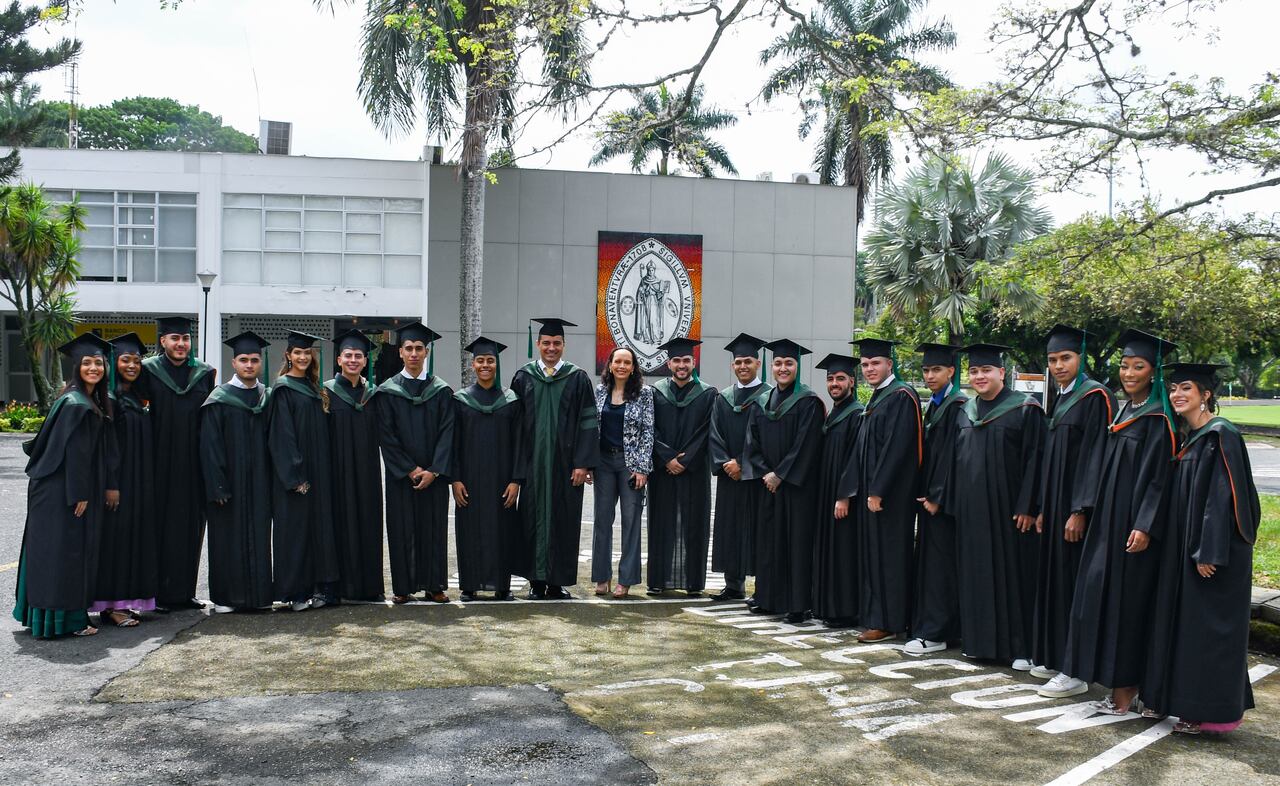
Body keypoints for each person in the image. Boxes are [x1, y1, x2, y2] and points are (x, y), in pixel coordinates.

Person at [1061, 329, 1176, 715]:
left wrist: (1145, 525)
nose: (1129, 373)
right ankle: (1114, 683)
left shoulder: (1160, 417)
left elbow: (1159, 479)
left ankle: (1127, 691)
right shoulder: (1124, 411)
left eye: (1138, 366)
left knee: (1128, 606)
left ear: (1154, 372)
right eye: (1125, 366)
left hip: (1133, 528)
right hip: (1108, 523)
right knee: (1101, 598)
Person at [1143, 363, 1261, 735]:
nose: (1178, 394)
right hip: (1185, 550)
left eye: (1187, 389)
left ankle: (1204, 710)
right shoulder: (1189, 435)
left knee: (1205, 632)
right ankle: (1170, 700)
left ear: (1206, 395)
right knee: (1177, 624)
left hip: (1213, 555)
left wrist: (1208, 551)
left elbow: (1225, 498)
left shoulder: (1220, 434)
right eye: (1174, 388)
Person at [1033, 326, 1116, 698]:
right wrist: (1042, 509)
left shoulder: (1095, 396)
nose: (1058, 366)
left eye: (1065, 358)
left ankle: (1076, 671)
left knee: (1074, 586)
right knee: (1056, 582)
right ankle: (1056, 657)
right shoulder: (1063, 397)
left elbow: (1096, 456)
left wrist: (1081, 509)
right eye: (1052, 360)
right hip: (1055, 508)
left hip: (1075, 512)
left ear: (1080, 358)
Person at [951, 343, 1045, 670]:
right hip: (973, 510)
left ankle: (1020, 648)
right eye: (974, 371)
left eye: (986, 370)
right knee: (976, 575)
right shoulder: (965, 412)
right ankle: (980, 644)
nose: (979, 376)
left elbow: (1037, 459)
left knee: (1014, 578)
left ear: (1002, 373)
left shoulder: (1025, 409)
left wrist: (1029, 504)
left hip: (1010, 510)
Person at [13, 334, 113, 638]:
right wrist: (79, 492)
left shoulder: (79, 399)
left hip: (55, 489)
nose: (94, 368)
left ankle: (49, 618)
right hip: (63, 491)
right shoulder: (76, 403)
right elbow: (75, 454)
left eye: (99, 363)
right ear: (77, 367)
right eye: (88, 363)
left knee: (52, 553)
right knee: (65, 553)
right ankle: (68, 621)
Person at [511, 317, 599, 600]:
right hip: (534, 466)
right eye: (546, 343)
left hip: (566, 467)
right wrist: (517, 468)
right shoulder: (523, 377)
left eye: (556, 343)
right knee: (531, 520)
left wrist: (582, 463)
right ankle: (536, 582)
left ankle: (556, 583)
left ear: (564, 345)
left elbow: (588, 422)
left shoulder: (577, 378)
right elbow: (514, 426)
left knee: (564, 521)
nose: (551, 348)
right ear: (538, 344)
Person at [741, 339, 825, 624]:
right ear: (771, 366)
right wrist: (767, 473)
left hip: (797, 488)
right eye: (778, 363)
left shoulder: (809, 401)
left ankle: (798, 604)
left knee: (797, 544)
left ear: (797, 367)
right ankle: (768, 598)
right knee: (769, 542)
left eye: (789, 363)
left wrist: (781, 474)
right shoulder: (761, 402)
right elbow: (751, 443)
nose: (783, 368)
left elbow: (807, 444)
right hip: (769, 486)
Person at [848, 338, 922, 643]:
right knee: (876, 555)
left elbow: (898, 448)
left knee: (890, 557)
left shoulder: (902, 396)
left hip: (891, 497)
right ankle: (877, 617)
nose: (869, 369)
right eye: (865, 365)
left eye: (875, 363)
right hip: (875, 494)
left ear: (890, 364)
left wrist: (878, 490)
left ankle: (889, 621)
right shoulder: (878, 397)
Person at [140, 315, 215, 612]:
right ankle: (156, 594)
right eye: (175, 339)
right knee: (159, 526)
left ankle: (185, 592)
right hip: (158, 462)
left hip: (193, 462)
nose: (181, 344)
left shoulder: (204, 373)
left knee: (191, 526)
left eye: (185, 339)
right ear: (163, 342)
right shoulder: (149, 371)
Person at [377, 322, 454, 604]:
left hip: (434, 476)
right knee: (402, 528)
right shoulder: (388, 392)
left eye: (419, 348)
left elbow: (448, 433)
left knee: (433, 528)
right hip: (402, 476)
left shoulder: (441, 391)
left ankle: (434, 585)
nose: (413, 353)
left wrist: (434, 470)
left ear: (427, 352)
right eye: (408, 348)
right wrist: (410, 469)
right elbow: (386, 436)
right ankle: (403, 586)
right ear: (400, 352)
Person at [200, 331, 274, 613]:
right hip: (227, 483)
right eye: (244, 360)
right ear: (234, 363)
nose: (249, 365)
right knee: (226, 538)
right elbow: (209, 446)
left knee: (258, 535)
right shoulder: (218, 399)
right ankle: (226, 598)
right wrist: (216, 484)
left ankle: (259, 597)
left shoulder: (266, 397)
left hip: (259, 482)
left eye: (254, 360)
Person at [268, 331, 340, 611]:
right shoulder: (283, 388)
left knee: (318, 531)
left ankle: (318, 588)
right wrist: (295, 476)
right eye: (297, 353)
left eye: (307, 353)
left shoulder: (314, 387)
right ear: (288, 355)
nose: (302, 357)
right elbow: (282, 436)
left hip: (319, 472)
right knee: (295, 532)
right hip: (296, 477)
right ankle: (295, 592)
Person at [91, 333, 157, 628]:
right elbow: (109, 448)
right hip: (120, 484)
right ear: (113, 363)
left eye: (136, 360)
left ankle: (126, 602)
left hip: (139, 481)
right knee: (116, 544)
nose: (132, 365)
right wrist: (112, 484)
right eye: (125, 360)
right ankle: (112, 606)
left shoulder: (134, 396)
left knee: (133, 541)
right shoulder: (111, 399)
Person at [452, 336, 524, 602]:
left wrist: (516, 480)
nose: (485, 365)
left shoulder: (511, 400)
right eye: (480, 361)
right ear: (473, 365)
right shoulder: (460, 400)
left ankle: (502, 586)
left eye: (490, 361)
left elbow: (520, 443)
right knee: (469, 530)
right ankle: (469, 585)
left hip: (502, 478)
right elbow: (454, 443)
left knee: (502, 530)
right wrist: (455, 479)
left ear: (497, 364)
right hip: (469, 479)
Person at [906, 343, 967, 655]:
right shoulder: (936, 404)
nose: (930, 375)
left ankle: (937, 632)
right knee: (932, 564)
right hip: (930, 500)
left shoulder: (958, 405)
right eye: (926, 370)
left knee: (941, 566)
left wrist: (937, 496)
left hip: (943, 503)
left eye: (936, 370)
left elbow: (955, 457)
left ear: (951, 372)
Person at [647, 337, 716, 597]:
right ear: (669, 363)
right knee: (661, 522)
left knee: (694, 524)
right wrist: (667, 458)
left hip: (694, 471)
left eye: (686, 360)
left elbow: (707, 431)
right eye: (676, 360)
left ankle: (693, 583)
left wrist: (684, 460)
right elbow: (649, 429)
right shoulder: (655, 392)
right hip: (663, 471)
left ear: (693, 362)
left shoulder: (708, 394)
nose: (682, 365)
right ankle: (658, 580)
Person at [708, 333, 771, 602]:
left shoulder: (769, 396)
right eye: (738, 362)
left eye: (748, 361)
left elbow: (768, 438)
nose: (743, 366)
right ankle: (733, 584)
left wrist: (744, 465)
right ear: (733, 366)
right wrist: (725, 463)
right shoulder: (724, 398)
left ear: (757, 363)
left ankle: (762, 587)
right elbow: (714, 434)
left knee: (758, 530)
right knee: (730, 528)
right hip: (729, 477)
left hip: (756, 477)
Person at [324, 329, 384, 602]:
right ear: (338, 360)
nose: (353, 360)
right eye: (348, 355)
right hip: (337, 472)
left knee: (368, 522)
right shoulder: (325, 392)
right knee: (339, 524)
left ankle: (369, 587)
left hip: (368, 472)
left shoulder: (373, 394)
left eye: (358, 356)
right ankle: (340, 587)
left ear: (365, 360)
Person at [591, 346, 653, 599]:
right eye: (618, 361)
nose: (622, 366)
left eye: (627, 362)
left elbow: (648, 432)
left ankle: (625, 579)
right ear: (610, 365)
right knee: (602, 521)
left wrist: (642, 468)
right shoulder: (599, 391)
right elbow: (591, 428)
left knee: (631, 522)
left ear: (634, 367)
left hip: (630, 465)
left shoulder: (644, 394)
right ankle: (602, 576)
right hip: (604, 463)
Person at [809, 353, 864, 628]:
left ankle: (844, 610)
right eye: (830, 379)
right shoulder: (833, 413)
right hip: (825, 494)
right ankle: (825, 606)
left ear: (851, 382)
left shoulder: (857, 414)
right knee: (828, 549)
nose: (834, 383)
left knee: (843, 552)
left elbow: (856, 458)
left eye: (840, 378)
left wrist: (845, 495)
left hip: (843, 497)